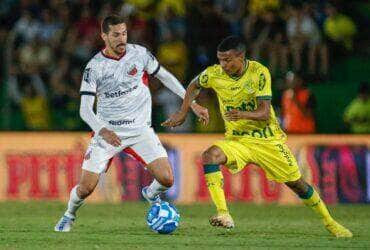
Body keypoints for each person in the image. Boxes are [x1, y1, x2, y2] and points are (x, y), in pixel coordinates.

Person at [163, 36, 352, 238]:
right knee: (210, 155)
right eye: (220, 60)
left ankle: (330, 223)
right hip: (238, 141)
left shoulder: (259, 73)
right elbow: (193, 85)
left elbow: (263, 113)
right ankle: (223, 213)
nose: (223, 64)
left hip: (267, 141)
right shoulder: (214, 74)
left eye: (227, 60)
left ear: (241, 56)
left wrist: (241, 114)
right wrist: (185, 111)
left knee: (297, 183)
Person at [54, 15, 208, 232]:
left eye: (124, 33)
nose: (122, 39)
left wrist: (191, 103)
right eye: (116, 35)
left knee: (167, 178)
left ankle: (150, 194)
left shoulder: (139, 54)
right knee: (86, 188)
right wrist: (102, 130)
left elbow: (166, 77)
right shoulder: (94, 67)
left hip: (140, 130)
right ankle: (69, 215)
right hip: (108, 133)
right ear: (104, 36)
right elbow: (85, 109)